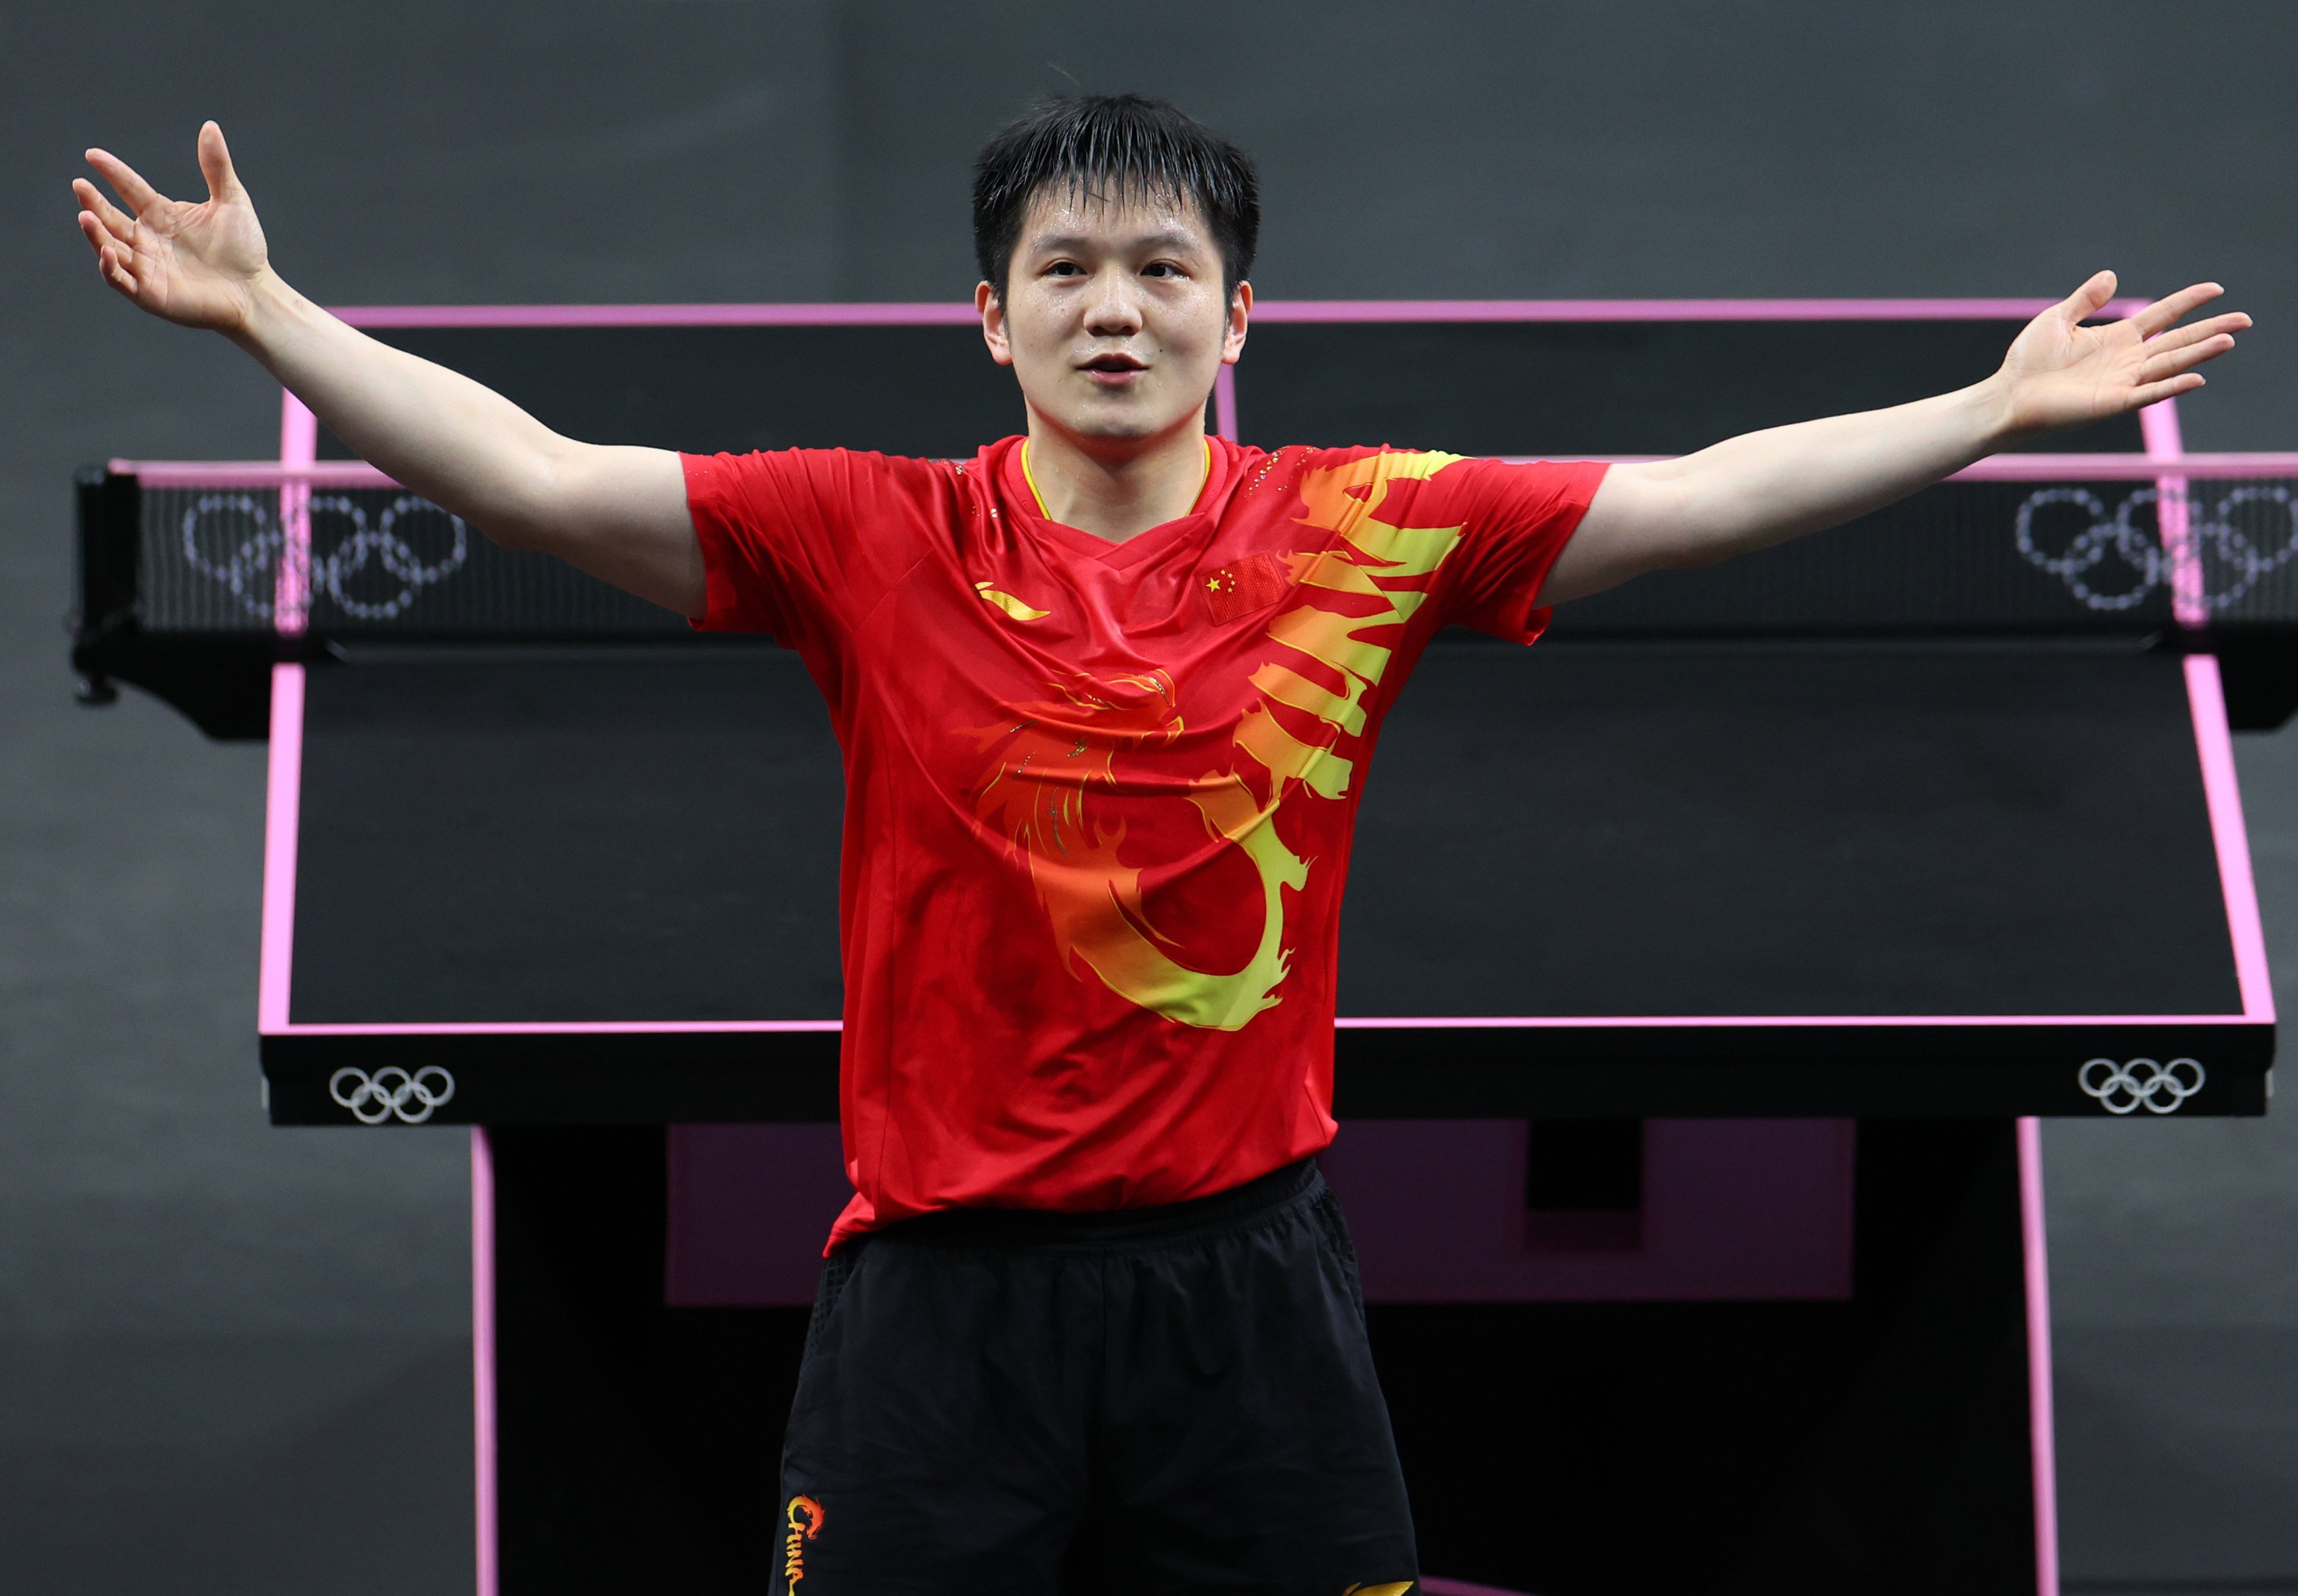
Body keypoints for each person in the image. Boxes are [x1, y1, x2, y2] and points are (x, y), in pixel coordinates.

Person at [75, 94, 2243, 1595]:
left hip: (1250, 1291)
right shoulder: (869, 531)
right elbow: (542, 481)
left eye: (1163, 269)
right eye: (1067, 271)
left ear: (1231, 315)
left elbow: (1696, 494)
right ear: (994, 320)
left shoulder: (1371, 529)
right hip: (938, 1300)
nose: (1117, 307)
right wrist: (276, 319)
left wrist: (1982, 409)